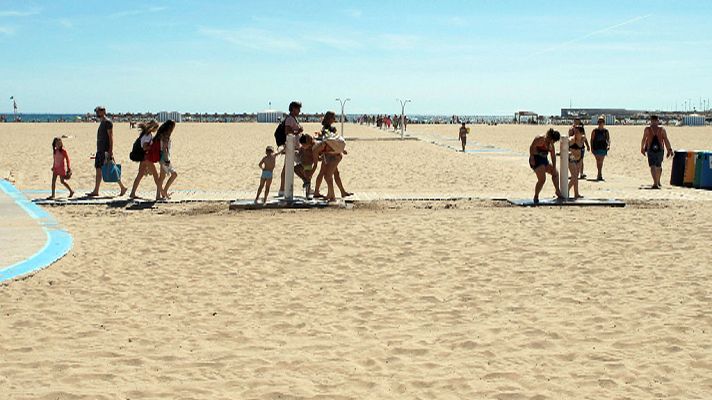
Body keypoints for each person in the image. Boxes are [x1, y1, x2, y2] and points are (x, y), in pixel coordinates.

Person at [87, 106, 128, 197]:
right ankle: (97, 190)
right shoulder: (102, 122)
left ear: (103, 111)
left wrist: (110, 151)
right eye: (96, 112)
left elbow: (111, 137)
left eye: (98, 111)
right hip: (100, 150)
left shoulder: (108, 122)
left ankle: (122, 187)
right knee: (100, 169)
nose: (97, 113)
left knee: (111, 169)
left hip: (105, 150)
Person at [313, 112, 352, 200]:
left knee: (333, 173)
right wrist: (341, 149)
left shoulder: (325, 128)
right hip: (329, 154)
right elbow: (331, 142)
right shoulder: (329, 129)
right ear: (329, 118)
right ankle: (323, 192)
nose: (334, 118)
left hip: (328, 153)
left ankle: (340, 192)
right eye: (333, 117)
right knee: (326, 174)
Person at [128, 121, 162, 200]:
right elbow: (144, 147)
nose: (156, 130)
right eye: (156, 128)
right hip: (146, 158)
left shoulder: (144, 134)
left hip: (142, 158)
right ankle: (160, 194)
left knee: (140, 175)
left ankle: (132, 193)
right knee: (155, 175)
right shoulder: (148, 135)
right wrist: (153, 147)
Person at [529, 128, 563, 203]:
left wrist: (554, 167)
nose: (553, 142)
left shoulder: (551, 145)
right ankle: (536, 195)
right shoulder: (540, 139)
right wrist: (531, 157)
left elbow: (553, 156)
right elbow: (532, 147)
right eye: (553, 141)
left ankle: (557, 190)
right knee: (542, 179)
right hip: (536, 160)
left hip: (544, 160)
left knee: (555, 173)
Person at [278, 101, 303, 197]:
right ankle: (282, 189)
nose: (299, 111)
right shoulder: (290, 119)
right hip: (292, 147)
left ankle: (282, 189)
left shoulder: (293, 118)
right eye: (298, 109)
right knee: (290, 167)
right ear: (293, 109)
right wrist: (298, 131)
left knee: (286, 168)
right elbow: (288, 131)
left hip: (295, 147)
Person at [641, 115, 673, 189]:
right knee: (659, 166)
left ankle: (655, 183)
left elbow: (643, 139)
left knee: (652, 165)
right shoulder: (662, 130)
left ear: (651, 121)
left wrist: (642, 148)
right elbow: (666, 140)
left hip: (650, 149)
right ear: (657, 121)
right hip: (660, 150)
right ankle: (658, 181)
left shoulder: (647, 129)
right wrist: (669, 149)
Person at [157, 120, 178, 199]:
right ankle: (164, 191)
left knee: (162, 177)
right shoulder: (166, 136)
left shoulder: (162, 134)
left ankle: (159, 195)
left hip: (161, 157)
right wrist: (167, 161)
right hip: (164, 158)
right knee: (174, 174)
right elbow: (164, 149)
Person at [590, 116, 611, 181]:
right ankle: (599, 174)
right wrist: (591, 148)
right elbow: (592, 140)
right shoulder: (594, 131)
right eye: (599, 122)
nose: (600, 123)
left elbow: (608, 139)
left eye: (602, 122)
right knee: (598, 161)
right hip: (596, 148)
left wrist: (608, 146)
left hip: (603, 148)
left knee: (601, 161)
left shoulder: (606, 131)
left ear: (604, 123)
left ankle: (599, 174)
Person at [568, 126, 586, 199]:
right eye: (575, 132)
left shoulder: (583, 138)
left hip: (579, 159)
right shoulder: (571, 140)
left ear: (581, 133)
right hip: (571, 159)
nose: (575, 133)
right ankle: (566, 189)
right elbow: (564, 147)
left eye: (577, 132)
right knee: (574, 177)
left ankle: (576, 193)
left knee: (576, 178)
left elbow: (582, 149)